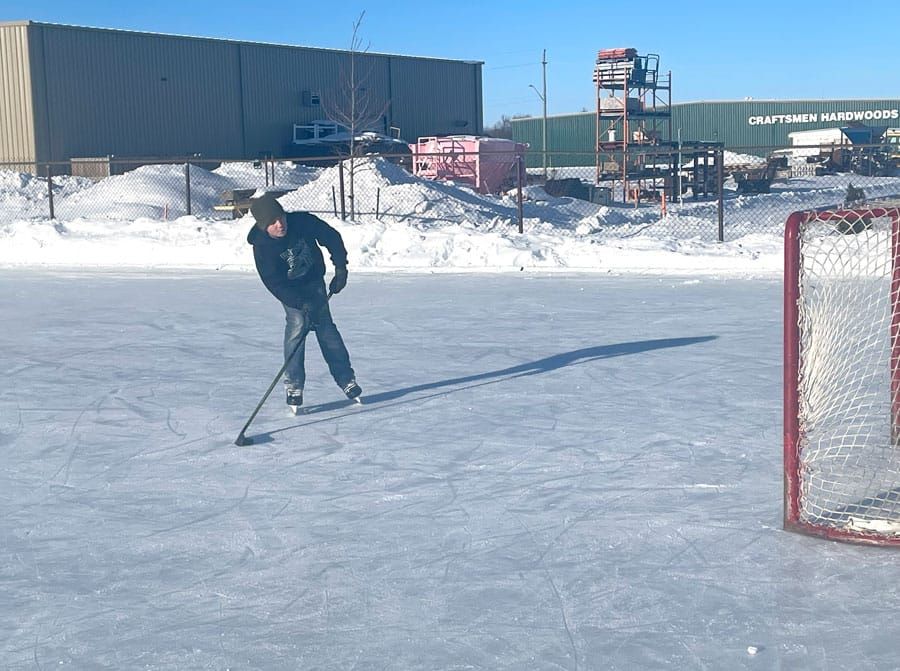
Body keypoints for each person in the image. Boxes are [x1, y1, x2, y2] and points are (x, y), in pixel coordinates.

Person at [247, 193, 361, 412]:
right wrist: (298, 302)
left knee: (326, 329)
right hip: (290, 291)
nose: (280, 224)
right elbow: (274, 283)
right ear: (263, 227)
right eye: (272, 222)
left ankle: (346, 379)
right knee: (297, 326)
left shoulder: (302, 222)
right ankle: (294, 385)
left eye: (281, 217)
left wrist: (341, 267)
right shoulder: (262, 246)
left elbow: (331, 236)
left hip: (313, 282)